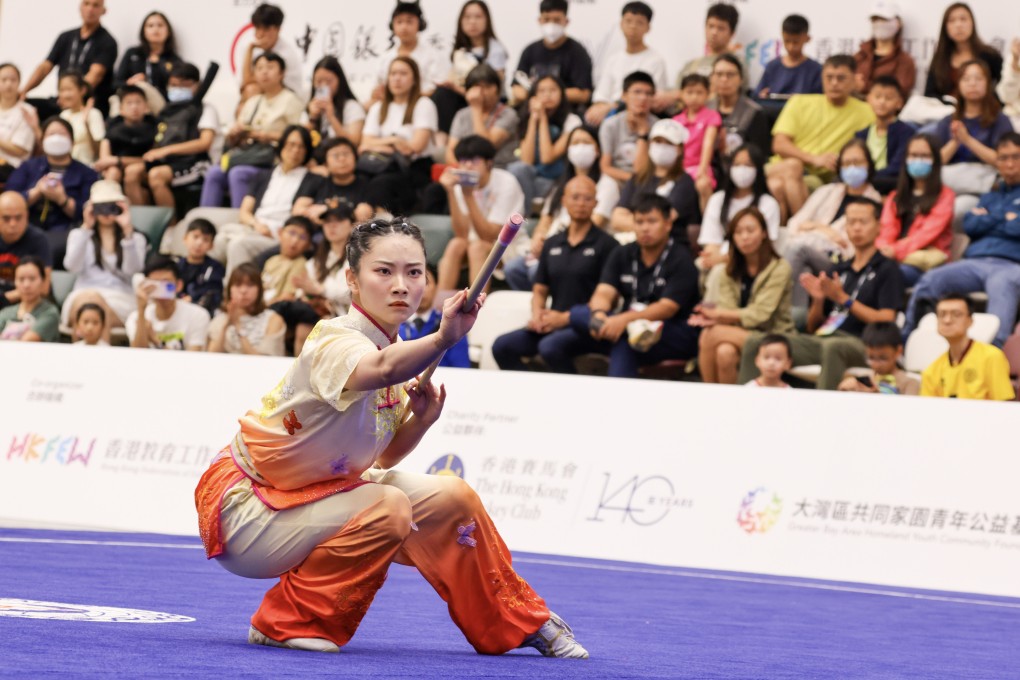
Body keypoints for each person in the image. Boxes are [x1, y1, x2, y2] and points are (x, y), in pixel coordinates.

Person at [193, 217, 588, 658]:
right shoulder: (335, 340)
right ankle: (285, 622)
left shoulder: (394, 351)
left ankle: (515, 621)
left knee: (452, 498)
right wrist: (442, 337)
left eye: (413, 272)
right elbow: (378, 370)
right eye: (384, 271)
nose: (401, 285)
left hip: (317, 496)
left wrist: (419, 420)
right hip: (250, 509)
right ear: (352, 280)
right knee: (389, 507)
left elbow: (384, 456)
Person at [739, 196, 905, 390]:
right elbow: (813, 327)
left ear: (879, 226)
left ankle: (822, 414)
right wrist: (818, 301)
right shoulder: (840, 268)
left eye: (863, 222)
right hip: (823, 338)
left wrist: (843, 299)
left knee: (833, 347)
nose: (857, 227)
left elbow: (886, 319)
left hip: (863, 344)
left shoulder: (887, 268)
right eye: (851, 222)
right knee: (756, 342)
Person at [903, 133, 1020, 348]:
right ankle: (908, 342)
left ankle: (990, 355)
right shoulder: (989, 196)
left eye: (1016, 157)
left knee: (1002, 285)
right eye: (1003, 158)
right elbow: (970, 225)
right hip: (974, 263)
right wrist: (1006, 217)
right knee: (932, 280)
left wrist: (989, 217)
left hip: (1011, 265)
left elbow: (1015, 228)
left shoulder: (987, 204)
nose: (1010, 163)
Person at [492, 176, 618, 373]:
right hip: (552, 322)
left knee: (550, 347)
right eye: (575, 197)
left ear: (596, 203)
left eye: (587, 198)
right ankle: (528, 392)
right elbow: (540, 289)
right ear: (564, 201)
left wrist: (565, 318)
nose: (581, 203)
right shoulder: (552, 243)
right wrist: (537, 315)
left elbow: (606, 297)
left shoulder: (608, 245)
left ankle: (570, 395)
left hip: (585, 325)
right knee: (502, 346)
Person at [582, 194, 700, 378]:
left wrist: (623, 320)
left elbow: (667, 308)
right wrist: (599, 315)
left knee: (623, 339)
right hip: (626, 325)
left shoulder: (681, 259)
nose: (645, 228)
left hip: (670, 331)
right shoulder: (623, 252)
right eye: (640, 222)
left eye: (652, 221)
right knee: (571, 324)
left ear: (668, 224)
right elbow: (604, 292)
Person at [692, 207, 793, 385]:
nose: (744, 237)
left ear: (763, 233)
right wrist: (718, 315)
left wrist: (719, 315)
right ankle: (727, 405)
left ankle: (708, 396)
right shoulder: (727, 271)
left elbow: (761, 314)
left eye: (750, 230)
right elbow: (729, 308)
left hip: (774, 335)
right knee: (725, 352)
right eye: (738, 232)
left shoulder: (780, 267)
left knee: (710, 334)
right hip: (740, 333)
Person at [767, 55, 876, 219]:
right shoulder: (799, 102)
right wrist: (813, 159)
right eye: (829, 77)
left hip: (818, 179)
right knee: (793, 166)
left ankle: (794, 232)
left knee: (777, 187)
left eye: (841, 78)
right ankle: (802, 230)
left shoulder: (867, 111)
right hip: (780, 167)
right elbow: (779, 144)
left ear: (854, 80)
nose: (834, 83)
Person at [782, 139, 883, 312]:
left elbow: (849, 245)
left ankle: (789, 313)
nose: (852, 167)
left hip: (837, 260)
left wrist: (811, 227)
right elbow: (794, 224)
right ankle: (795, 316)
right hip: (808, 249)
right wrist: (824, 229)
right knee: (800, 259)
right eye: (846, 163)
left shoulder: (873, 202)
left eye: (857, 162)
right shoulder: (828, 191)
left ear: (869, 165)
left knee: (799, 250)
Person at [504, 127, 610, 291]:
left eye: (586, 142)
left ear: (597, 149)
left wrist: (549, 246)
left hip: (579, 249)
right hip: (549, 246)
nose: (580, 147)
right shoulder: (559, 185)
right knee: (512, 269)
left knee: (535, 272)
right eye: (575, 143)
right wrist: (539, 239)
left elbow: (592, 223)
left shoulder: (606, 184)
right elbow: (545, 220)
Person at [202, 52, 303, 209]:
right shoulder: (253, 101)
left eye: (270, 67)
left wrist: (266, 136)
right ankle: (204, 224)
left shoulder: (292, 100)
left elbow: (299, 137)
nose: (264, 72)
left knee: (238, 174)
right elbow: (236, 138)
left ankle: (241, 224)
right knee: (215, 173)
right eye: (259, 68)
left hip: (272, 160)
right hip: (248, 154)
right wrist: (236, 133)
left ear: (282, 73)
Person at [212, 125, 311, 276]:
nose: (295, 150)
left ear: (307, 151)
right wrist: (256, 225)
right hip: (255, 228)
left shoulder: (311, 179)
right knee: (219, 239)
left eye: (301, 146)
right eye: (291, 144)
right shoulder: (264, 176)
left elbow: (299, 215)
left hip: (278, 236)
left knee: (238, 245)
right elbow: (244, 211)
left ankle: (235, 294)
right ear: (282, 145)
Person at [435, 135, 526, 292]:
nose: (468, 166)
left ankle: (477, 308)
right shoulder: (460, 186)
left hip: (508, 246)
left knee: (477, 248)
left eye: (474, 161)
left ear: (488, 163)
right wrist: (450, 191)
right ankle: (438, 309)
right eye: (463, 161)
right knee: (455, 244)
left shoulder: (506, 182)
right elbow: (461, 234)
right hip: (475, 242)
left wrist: (468, 196)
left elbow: (490, 236)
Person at [5, 116, 98, 265]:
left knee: (47, 246)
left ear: (72, 141)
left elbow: (89, 211)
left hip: (66, 228)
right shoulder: (28, 167)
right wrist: (36, 192)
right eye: (51, 134)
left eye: (61, 134)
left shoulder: (87, 173)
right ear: (42, 141)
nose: (56, 138)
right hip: (26, 225)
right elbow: (9, 200)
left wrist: (62, 199)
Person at [61, 180, 147, 340]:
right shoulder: (79, 235)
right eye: (101, 206)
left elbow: (133, 270)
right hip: (82, 295)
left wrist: (127, 232)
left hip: (120, 298)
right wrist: (86, 227)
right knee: (89, 302)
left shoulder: (136, 238)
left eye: (111, 206)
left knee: (94, 305)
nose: (107, 212)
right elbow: (72, 267)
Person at [360, 57, 438, 217]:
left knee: (381, 184)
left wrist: (379, 144)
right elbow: (364, 144)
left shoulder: (423, 104)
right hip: (380, 165)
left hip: (413, 170)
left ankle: (382, 230)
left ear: (415, 79)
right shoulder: (378, 107)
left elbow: (415, 147)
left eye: (403, 73)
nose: (397, 78)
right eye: (393, 73)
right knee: (357, 180)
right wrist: (395, 141)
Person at [877, 134, 955, 287]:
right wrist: (884, 248)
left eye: (924, 155)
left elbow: (926, 234)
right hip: (892, 259)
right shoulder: (895, 196)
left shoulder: (945, 196)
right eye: (913, 155)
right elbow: (886, 230)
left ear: (935, 160)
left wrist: (895, 251)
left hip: (924, 263)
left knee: (889, 275)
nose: (918, 160)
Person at [19, 0, 118, 118]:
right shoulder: (65, 37)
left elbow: (95, 75)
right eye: (86, 4)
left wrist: (72, 97)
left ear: (103, 11)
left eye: (96, 5)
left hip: (87, 104)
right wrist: (24, 91)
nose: (90, 9)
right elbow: (45, 67)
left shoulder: (107, 42)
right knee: (24, 106)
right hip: (62, 99)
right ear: (80, 7)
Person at [143, 62, 218, 215]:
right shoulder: (167, 111)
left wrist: (167, 150)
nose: (177, 89)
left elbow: (205, 143)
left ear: (197, 85)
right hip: (169, 162)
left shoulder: (205, 109)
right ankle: (145, 225)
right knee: (132, 173)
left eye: (184, 85)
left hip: (196, 163)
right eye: (174, 85)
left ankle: (169, 229)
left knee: (156, 176)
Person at [610, 118, 699, 244]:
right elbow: (617, 219)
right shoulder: (638, 178)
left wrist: (635, 222)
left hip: (671, 246)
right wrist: (647, 224)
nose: (662, 147)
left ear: (679, 149)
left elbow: (664, 222)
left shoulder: (685, 183)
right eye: (657, 141)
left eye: (668, 143)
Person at [697, 143, 781, 273]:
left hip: (753, 261)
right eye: (736, 165)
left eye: (748, 165)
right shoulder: (717, 199)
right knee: (701, 264)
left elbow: (765, 247)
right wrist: (712, 258)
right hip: (719, 257)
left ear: (758, 169)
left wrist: (723, 259)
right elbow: (711, 241)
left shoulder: (768, 203)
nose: (742, 170)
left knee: (720, 271)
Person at [935, 60, 1014, 196]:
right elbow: (934, 163)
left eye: (978, 78)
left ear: (988, 83)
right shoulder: (948, 121)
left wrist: (967, 140)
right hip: (950, 182)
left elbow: (1006, 161)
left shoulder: (1000, 120)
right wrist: (955, 141)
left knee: (959, 208)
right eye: (966, 79)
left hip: (984, 183)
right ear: (958, 85)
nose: (972, 84)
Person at [508, 74, 582, 216]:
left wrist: (542, 119)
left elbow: (547, 157)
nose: (547, 95)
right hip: (530, 179)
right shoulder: (525, 119)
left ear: (562, 93)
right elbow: (526, 161)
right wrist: (533, 119)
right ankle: (520, 222)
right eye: (542, 91)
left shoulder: (572, 121)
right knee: (516, 169)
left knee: (541, 184)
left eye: (553, 90)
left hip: (555, 180)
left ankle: (525, 218)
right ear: (533, 97)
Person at [585, 2, 668, 127]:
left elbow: (651, 99)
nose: (633, 27)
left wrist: (610, 107)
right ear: (621, 24)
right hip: (609, 114)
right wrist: (599, 109)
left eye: (639, 22)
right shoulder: (613, 59)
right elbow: (601, 96)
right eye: (628, 21)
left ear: (648, 28)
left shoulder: (655, 60)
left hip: (637, 113)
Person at [432, 0, 509, 135]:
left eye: (478, 17)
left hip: (488, 101)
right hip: (463, 98)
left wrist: (456, 88)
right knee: (441, 94)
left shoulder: (495, 50)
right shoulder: (459, 51)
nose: (472, 22)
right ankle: (443, 140)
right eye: (467, 17)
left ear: (487, 20)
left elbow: (493, 90)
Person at [920, 293, 1015, 399]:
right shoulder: (931, 370)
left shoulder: (992, 357)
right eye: (942, 315)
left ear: (970, 320)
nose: (947, 320)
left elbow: (1004, 405)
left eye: (956, 314)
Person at [657, 2, 743, 112]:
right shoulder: (691, 65)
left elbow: (724, 96)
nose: (714, 32)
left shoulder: (736, 64)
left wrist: (680, 95)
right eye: (710, 26)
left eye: (721, 28)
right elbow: (675, 95)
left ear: (732, 34)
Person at [510, 0, 593, 108]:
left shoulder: (577, 52)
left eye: (557, 20)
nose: (551, 24)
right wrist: (536, 97)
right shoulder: (530, 50)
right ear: (540, 20)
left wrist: (547, 95)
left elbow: (584, 94)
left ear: (566, 21)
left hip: (565, 112)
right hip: (533, 110)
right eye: (547, 19)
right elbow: (516, 88)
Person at [598, 70, 657, 212]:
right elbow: (605, 167)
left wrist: (643, 134)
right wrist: (631, 181)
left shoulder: (658, 127)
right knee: (608, 186)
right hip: (617, 177)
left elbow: (641, 170)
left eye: (648, 94)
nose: (643, 98)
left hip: (647, 181)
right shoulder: (610, 125)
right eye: (637, 92)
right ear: (624, 96)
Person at [371, 1, 449, 105]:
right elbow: (377, 88)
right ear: (392, 26)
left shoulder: (433, 56)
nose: (404, 27)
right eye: (399, 22)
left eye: (409, 22)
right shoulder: (385, 58)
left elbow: (438, 89)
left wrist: (409, 97)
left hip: (423, 105)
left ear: (420, 24)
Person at [127, 254, 211, 351]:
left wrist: (156, 341)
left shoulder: (198, 315)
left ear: (178, 285)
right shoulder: (136, 318)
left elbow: (192, 361)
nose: (160, 289)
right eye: (155, 283)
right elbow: (137, 357)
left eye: (166, 283)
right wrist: (141, 311)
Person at [446, 64, 518, 170]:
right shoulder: (462, 115)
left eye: (486, 87)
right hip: (466, 170)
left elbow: (485, 147)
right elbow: (451, 151)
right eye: (476, 87)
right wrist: (463, 170)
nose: (481, 92)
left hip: (499, 168)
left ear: (497, 89)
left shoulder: (508, 114)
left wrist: (476, 108)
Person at [925, 3, 1003, 101]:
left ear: (972, 23)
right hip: (946, 113)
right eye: (952, 20)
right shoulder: (940, 58)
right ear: (945, 27)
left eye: (963, 19)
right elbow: (929, 94)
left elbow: (1004, 90)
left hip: (983, 113)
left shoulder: (990, 55)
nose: (958, 25)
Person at [94, 85, 157, 205]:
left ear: (146, 106)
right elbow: (104, 159)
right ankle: (108, 214)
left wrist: (118, 160)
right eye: (129, 103)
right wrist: (112, 162)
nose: (134, 107)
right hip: (118, 169)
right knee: (112, 172)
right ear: (121, 108)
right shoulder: (113, 125)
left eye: (138, 102)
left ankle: (138, 221)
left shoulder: (154, 126)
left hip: (146, 169)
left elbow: (151, 158)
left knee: (132, 172)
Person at [399, 264, 470, 368]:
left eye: (426, 283)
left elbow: (462, 369)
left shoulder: (452, 323)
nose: (422, 289)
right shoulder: (393, 325)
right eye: (414, 282)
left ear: (436, 287)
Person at [290, 205, 355, 319]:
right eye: (327, 221)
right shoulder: (315, 260)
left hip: (346, 318)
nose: (332, 225)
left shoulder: (359, 257)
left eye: (339, 220)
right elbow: (302, 292)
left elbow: (352, 294)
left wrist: (320, 290)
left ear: (352, 224)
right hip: (318, 315)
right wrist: (307, 294)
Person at [207, 262, 285, 356]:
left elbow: (265, 362)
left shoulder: (273, 320)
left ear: (260, 290)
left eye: (250, 285)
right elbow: (211, 357)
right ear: (229, 290)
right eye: (238, 285)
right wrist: (226, 325)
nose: (243, 291)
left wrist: (239, 327)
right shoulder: (219, 320)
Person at [292, 137, 373, 226]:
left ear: (355, 158)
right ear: (326, 163)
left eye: (346, 154)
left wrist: (326, 210)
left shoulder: (365, 183)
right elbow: (297, 211)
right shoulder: (317, 180)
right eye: (336, 155)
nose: (342, 159)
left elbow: (364, 214)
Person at [854, 75, 914, 194]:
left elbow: (897, 167)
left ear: (899, 103)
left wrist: (866, 177)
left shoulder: (907, 132)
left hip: (890, 182)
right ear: (868, 99)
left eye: (888, 98)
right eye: (877, 96)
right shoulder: (861, 134)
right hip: (866, 179)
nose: (882, 102)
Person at [709, 55, 771, 166]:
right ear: (711, 78)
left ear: (741, 79)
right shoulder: (704, 108)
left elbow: (760, 154)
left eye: (730, 75)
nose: (724, 79)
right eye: (719, 74)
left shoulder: (754, 112)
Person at [672, 74, 721, 209]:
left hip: (700, 167)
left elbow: (708, 143)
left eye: (699, 93)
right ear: (681, 94)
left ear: (708, 94)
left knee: (703, 185)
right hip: (678, 168)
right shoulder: (676, 120)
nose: (694, 97)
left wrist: (703, 168)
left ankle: (708, 223)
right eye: (689, 92)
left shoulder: (712, 116)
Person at [114, 11, 181, 104]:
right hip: (131, 101)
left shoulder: (174, 60)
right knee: (115, 100)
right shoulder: (132, 53)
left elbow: (176, 91)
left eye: (160, 25)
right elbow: (115, 84)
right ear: (143, 31)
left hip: (159, 104)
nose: (155, 29)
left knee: (142, 86)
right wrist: (130, 83)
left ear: (168, 31)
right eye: (150, 26)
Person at [241, 4, 306, 98]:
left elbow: (254, 81)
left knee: (252, 90)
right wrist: (250, 49)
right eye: (257, 28)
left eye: (266, 29)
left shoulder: (287, 54)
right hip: (264, 96)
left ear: (278, 29)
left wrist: (251, 48)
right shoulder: (249, 48)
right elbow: (244, 83)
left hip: (286, 97)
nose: (260, 34)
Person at [0, 191, 52, 310]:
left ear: (26, 216)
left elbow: (44, 287)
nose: (13, 224)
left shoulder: (38, 240)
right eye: (6, 218)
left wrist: (3, 299)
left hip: (29, 304)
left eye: (18, 217)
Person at [837, 321, 919, 395]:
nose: (876, 365)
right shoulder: (862, 380)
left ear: (898, 351)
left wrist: (876, 395)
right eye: (871, 358)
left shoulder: (909, 383)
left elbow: (908, 410)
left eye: (883, 358)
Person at [853, 1, 916, 96]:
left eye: (884, 20)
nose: (879, 24)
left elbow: (900, 93)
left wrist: (864, 87)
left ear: (898, 23)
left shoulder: (904, 61)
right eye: (875, 20)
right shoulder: (859, 56)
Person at [756, 15, 822, 98]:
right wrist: (762, 95)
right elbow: (757, 95)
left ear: (807, 38)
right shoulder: (773, 66)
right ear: (782, 36)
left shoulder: (816, 69)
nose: (791, 47)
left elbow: (819, 100)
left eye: (796, 42)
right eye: (787, 41)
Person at [304, 56, 365, 146]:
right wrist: (312, 118)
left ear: (340, 81)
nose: (324, 86)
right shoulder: (310, 106)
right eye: (319, 81)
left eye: (329, 81)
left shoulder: (352, 107)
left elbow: (354, 143)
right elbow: (299, 140)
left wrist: (331, 117)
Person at [0, 257, 59, 342]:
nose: (26, 285)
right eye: (21, 279)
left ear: (43, 280)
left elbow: (26, 343)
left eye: (32, 279)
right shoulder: (6, 313)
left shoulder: (50, 313)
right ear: (14, 282)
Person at [177, 218, 225, 316]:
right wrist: (180, 297)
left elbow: (214, 292)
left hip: (202, 311)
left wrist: (192, 299)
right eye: (195, 237)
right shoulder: (175, 265)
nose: (199, 243)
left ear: (211, 245)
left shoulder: (215, 268)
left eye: (205, 239)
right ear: (185, 238)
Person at [0, 64, 39, 179]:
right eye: (4, 80)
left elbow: (20, 150)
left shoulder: (27, 111)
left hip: (12, 167)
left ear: (19, 83)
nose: (8, 84)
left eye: (13, 80)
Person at [57, 71, 104, 165]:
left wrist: (86, 123)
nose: (65, 95)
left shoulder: (93, 114)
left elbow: (98, 152)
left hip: (89, 167)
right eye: (62, 90)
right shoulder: (63, 116)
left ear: (82, 90)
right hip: (66, 167)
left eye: (69, 89)